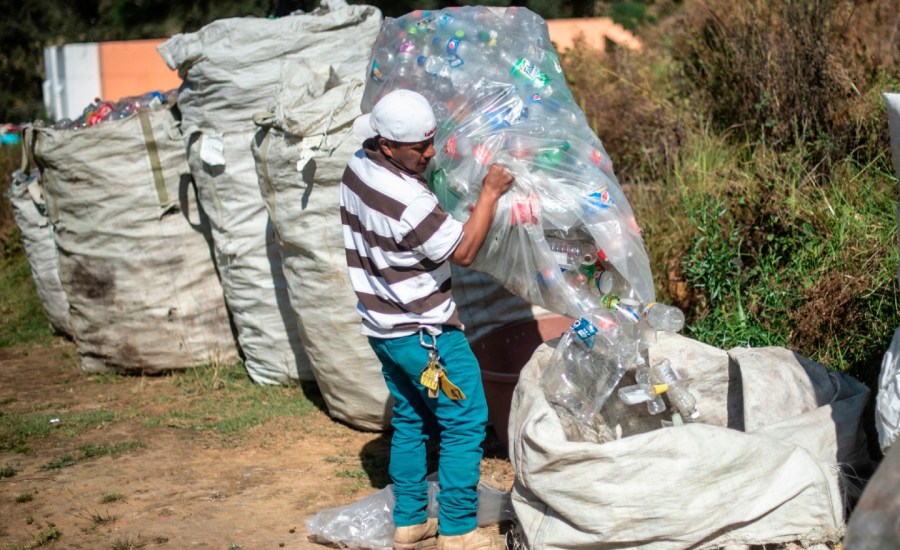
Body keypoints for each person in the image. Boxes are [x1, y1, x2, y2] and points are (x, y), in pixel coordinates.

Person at [340, 89, 514, 550]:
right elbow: (465, 251)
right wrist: (490, 194)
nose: (431, 153)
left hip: (383, 330)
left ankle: (410, 522)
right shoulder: (408, 201)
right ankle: (458, 531)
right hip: (426, 335)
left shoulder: (358, 166)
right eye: (420, 148)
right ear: (389, 144)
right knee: (466, 419)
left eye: (432, 141)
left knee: (413, 419)